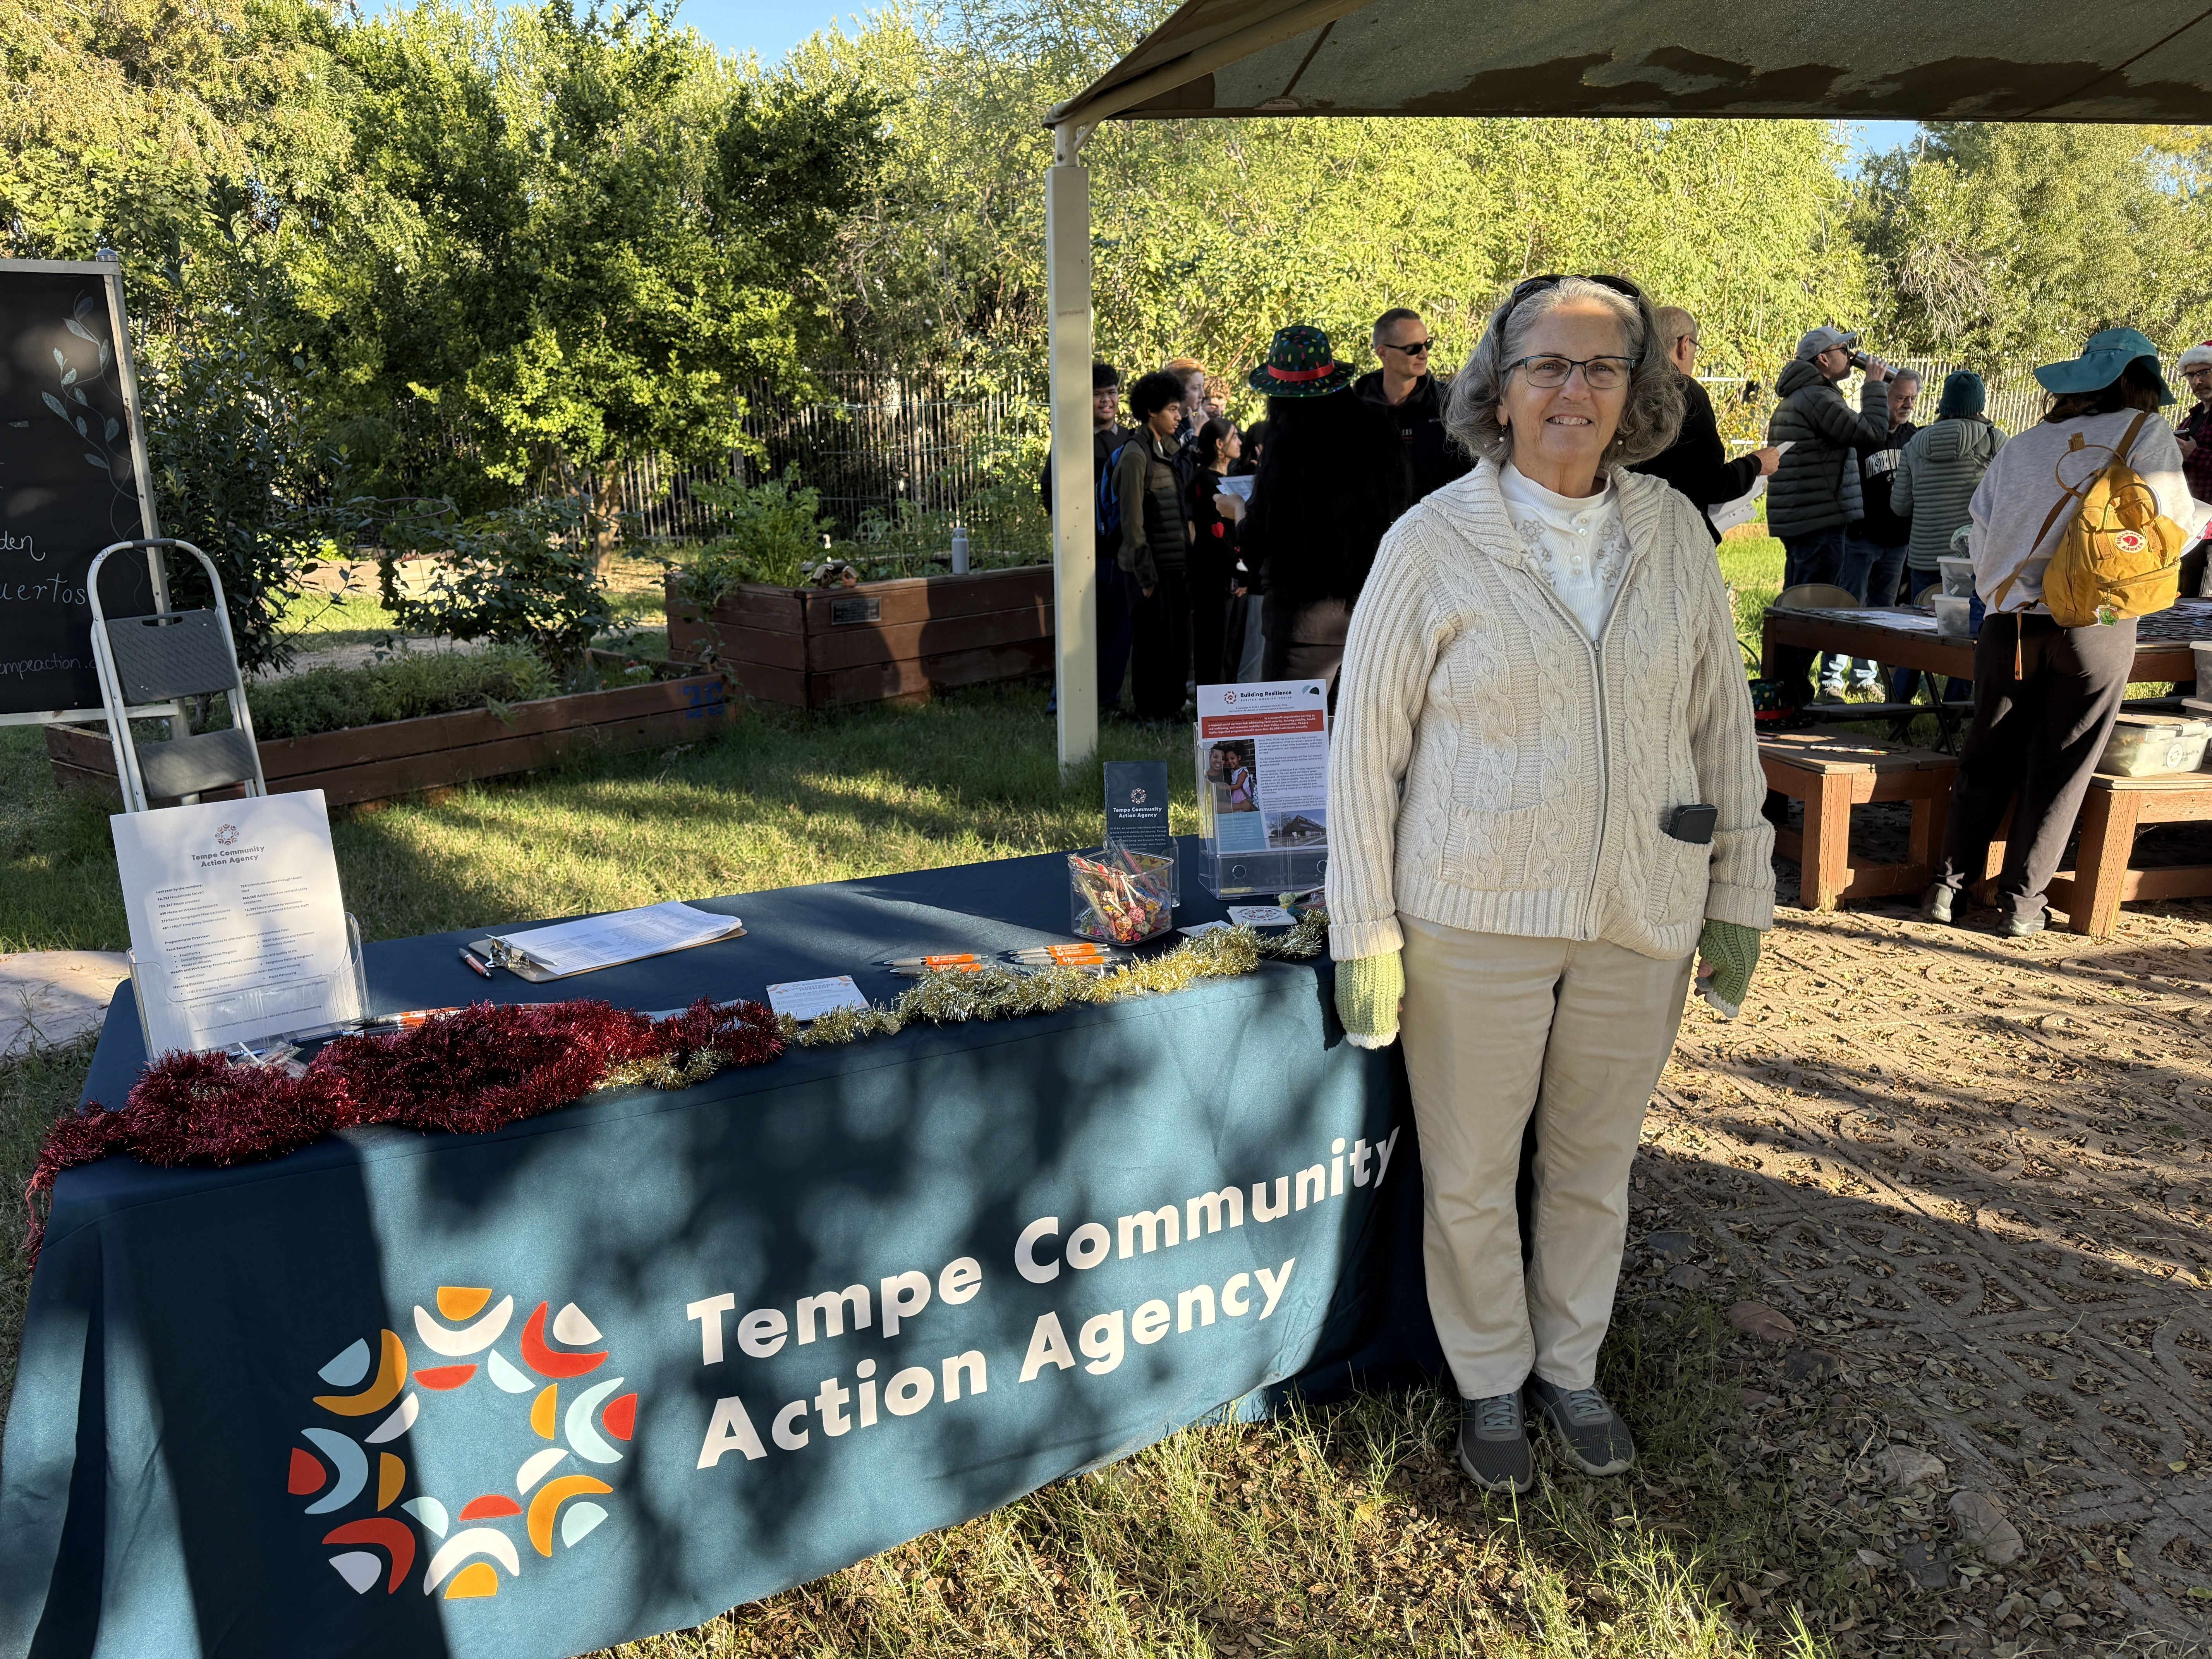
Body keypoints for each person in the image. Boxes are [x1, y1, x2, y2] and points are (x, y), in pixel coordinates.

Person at [1325, 275, 1773, 1494]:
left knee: (1592, 1161)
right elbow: (1363, 749)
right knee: (1470, 1170)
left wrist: (1739, 890)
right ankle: (1487, 1380)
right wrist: (1361, 925)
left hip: (1640, 907)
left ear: (1638, 390)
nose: (1569, 389)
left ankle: (1568, 1366)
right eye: (1544, 364)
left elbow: (1718, 724)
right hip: (1471, 913)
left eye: (1598, 366)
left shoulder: (1676, 535)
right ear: (1498, 385)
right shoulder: (1427, 543)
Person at [1924, 329, 2197, 938]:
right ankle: (2022, 907)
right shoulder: (2145, 434)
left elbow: (1982, 528)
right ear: (2141, 384)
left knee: (1986, 759)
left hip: (2009, 624)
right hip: (2094, 624)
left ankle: (1946, 889)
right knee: (2061, 768)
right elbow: (2175, 524)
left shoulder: (2020, 445)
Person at [1238, 325, 1410, 689]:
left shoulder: (1285, 443)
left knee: (1293, 741)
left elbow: (1261, 537)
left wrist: (1235, 510)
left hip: (1302, 627)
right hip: (1375, 614)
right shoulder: (1379, 428)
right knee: (1361, 741)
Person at [1765, 326, 1896, 702]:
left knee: (1798, 604)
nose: (1852, 355)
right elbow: (1872, 433)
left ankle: (1785, 686)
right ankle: (1790, 691)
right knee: (1816, 608)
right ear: (1823, 359)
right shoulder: (1817, 398)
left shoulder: (1803, 397)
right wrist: (1874, 387)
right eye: (1844, 349)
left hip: (1805, 518)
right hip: (1820, 520)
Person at [1889, 371, 2004, 707]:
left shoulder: (1914, 444)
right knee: (1968, 634)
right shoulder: (1996, 442)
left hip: (1923, 558)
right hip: (1970, 561)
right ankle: (1955, 707)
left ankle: (1898, 704)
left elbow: (1899, 506)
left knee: (1919, 632)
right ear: (1979, 404)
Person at [1627, 306, 1780, 541]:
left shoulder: (1623, 389)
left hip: (1628, 529)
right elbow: (1713, 483)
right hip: (1677, 537)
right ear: (1684, 345)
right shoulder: (1686, 394)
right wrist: (1757, 464)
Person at [1039, 362, 1135, 712]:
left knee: (1118, 633)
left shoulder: (1130, 441)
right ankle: (1063, 704)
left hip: (1122, 554)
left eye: (1111, 393)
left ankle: (1107, 703)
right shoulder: (1070, 439)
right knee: (1077, 633)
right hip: (1082, 554)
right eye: (1097, 394)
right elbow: (1050, 491)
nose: (1106, 401)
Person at [1823, 367, 1921, 695]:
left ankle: (1864, 678)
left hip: (1897, 544)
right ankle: (1832, 679)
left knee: (1882, 612)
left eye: (1912, 398)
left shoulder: (1915, 439)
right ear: (1884, 396)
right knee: (1849, 606)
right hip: (1861, 539)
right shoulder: (1865, 435)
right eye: (1899, 398)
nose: (1906, 404)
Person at [1113, 369, 1195, 721]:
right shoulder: (1135, 455)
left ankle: (1173, 705)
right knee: (1152, 642)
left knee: (1178, 641)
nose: (1180, 417)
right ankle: (1149, 710)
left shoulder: (1170, 451)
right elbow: (1132, 522)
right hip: (1151, 570)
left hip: (1176, 567)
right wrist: (1145, 574)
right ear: (1151, 411)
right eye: (1174, 409)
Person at [1354, 307, 1473, 501]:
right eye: (1413, 348)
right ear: (1383, 353)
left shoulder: (1451, 404)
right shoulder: (1354, 412)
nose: (1424, 354)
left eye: (1427, 344)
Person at [1186, 417, 1245, 687]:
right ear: (1220, 445)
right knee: (1214, 645)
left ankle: (1228, 712)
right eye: (1235, 437)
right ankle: (1213, 712)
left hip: (1229, 575)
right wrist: (1242, 571)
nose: (1240, 442)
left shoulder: (1226, 480)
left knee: (1229, 648)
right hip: (1213, 577)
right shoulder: (1206, 482)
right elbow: (1216, 534)